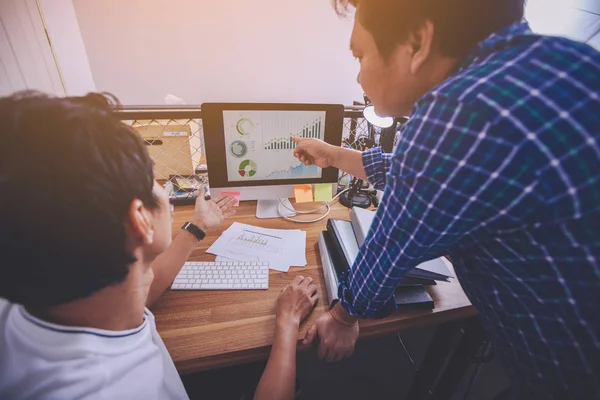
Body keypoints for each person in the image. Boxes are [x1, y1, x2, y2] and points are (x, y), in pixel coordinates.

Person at [293, 0, 600, 398]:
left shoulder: (459, 109)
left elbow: (389, 247)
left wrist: (342, 316)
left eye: (361, 54)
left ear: (418, 42)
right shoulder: (570, 60)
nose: (359, 76)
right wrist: (334, 154)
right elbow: (423, 173)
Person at [0, 91, 318, 400]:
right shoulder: (119, 390)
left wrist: (196, 227)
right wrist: (287, 323)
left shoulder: (42, 293)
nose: (166, 189)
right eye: (156, 179)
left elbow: (136, 290)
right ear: (140, 219)